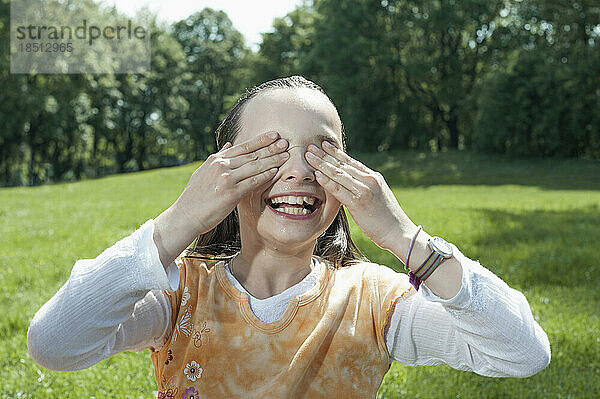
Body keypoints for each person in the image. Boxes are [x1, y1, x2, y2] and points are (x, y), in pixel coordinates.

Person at [27, 76, 551, 398]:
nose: (299, 171)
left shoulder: (374, 301)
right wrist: (177, 223)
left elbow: (522, 353)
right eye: (271, 152)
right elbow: (55, 344)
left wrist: (404, 237)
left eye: (322, 152)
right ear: (225, 172)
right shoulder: (177, 293)